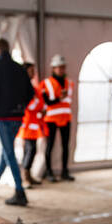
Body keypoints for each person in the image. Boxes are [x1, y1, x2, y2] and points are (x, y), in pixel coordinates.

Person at [0, 38, 34, 206]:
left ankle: (20, 191)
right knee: (8, 151)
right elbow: (30, 92)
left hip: (3, 117)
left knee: (9, 152)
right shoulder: (19, 68)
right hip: (18, 116)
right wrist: (21, 106)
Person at [42, 54, 74, 182]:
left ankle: (64, 171)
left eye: (63, 67)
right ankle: (49, 172)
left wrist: (58, 99)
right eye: (59, 67)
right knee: (50, 146)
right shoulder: (46, 83)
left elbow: (68, 100)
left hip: (65, 118)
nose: (61, 70)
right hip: (51, 119)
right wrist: (58, 98)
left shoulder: (69, 83)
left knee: (65, 145)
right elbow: (46, 103)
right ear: (53, 68)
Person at [16, 62, 47, 189]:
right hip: (28, 123)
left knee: (30, 150)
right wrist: (39, 106)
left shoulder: (32, 87)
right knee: (30, 150)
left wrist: (40, 106)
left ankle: (28, 175)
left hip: (34, 123)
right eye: (31, 70)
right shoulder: (23, 87)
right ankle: (25, 177)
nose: (33, 73)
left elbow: (40, 101)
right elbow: (30, 105)